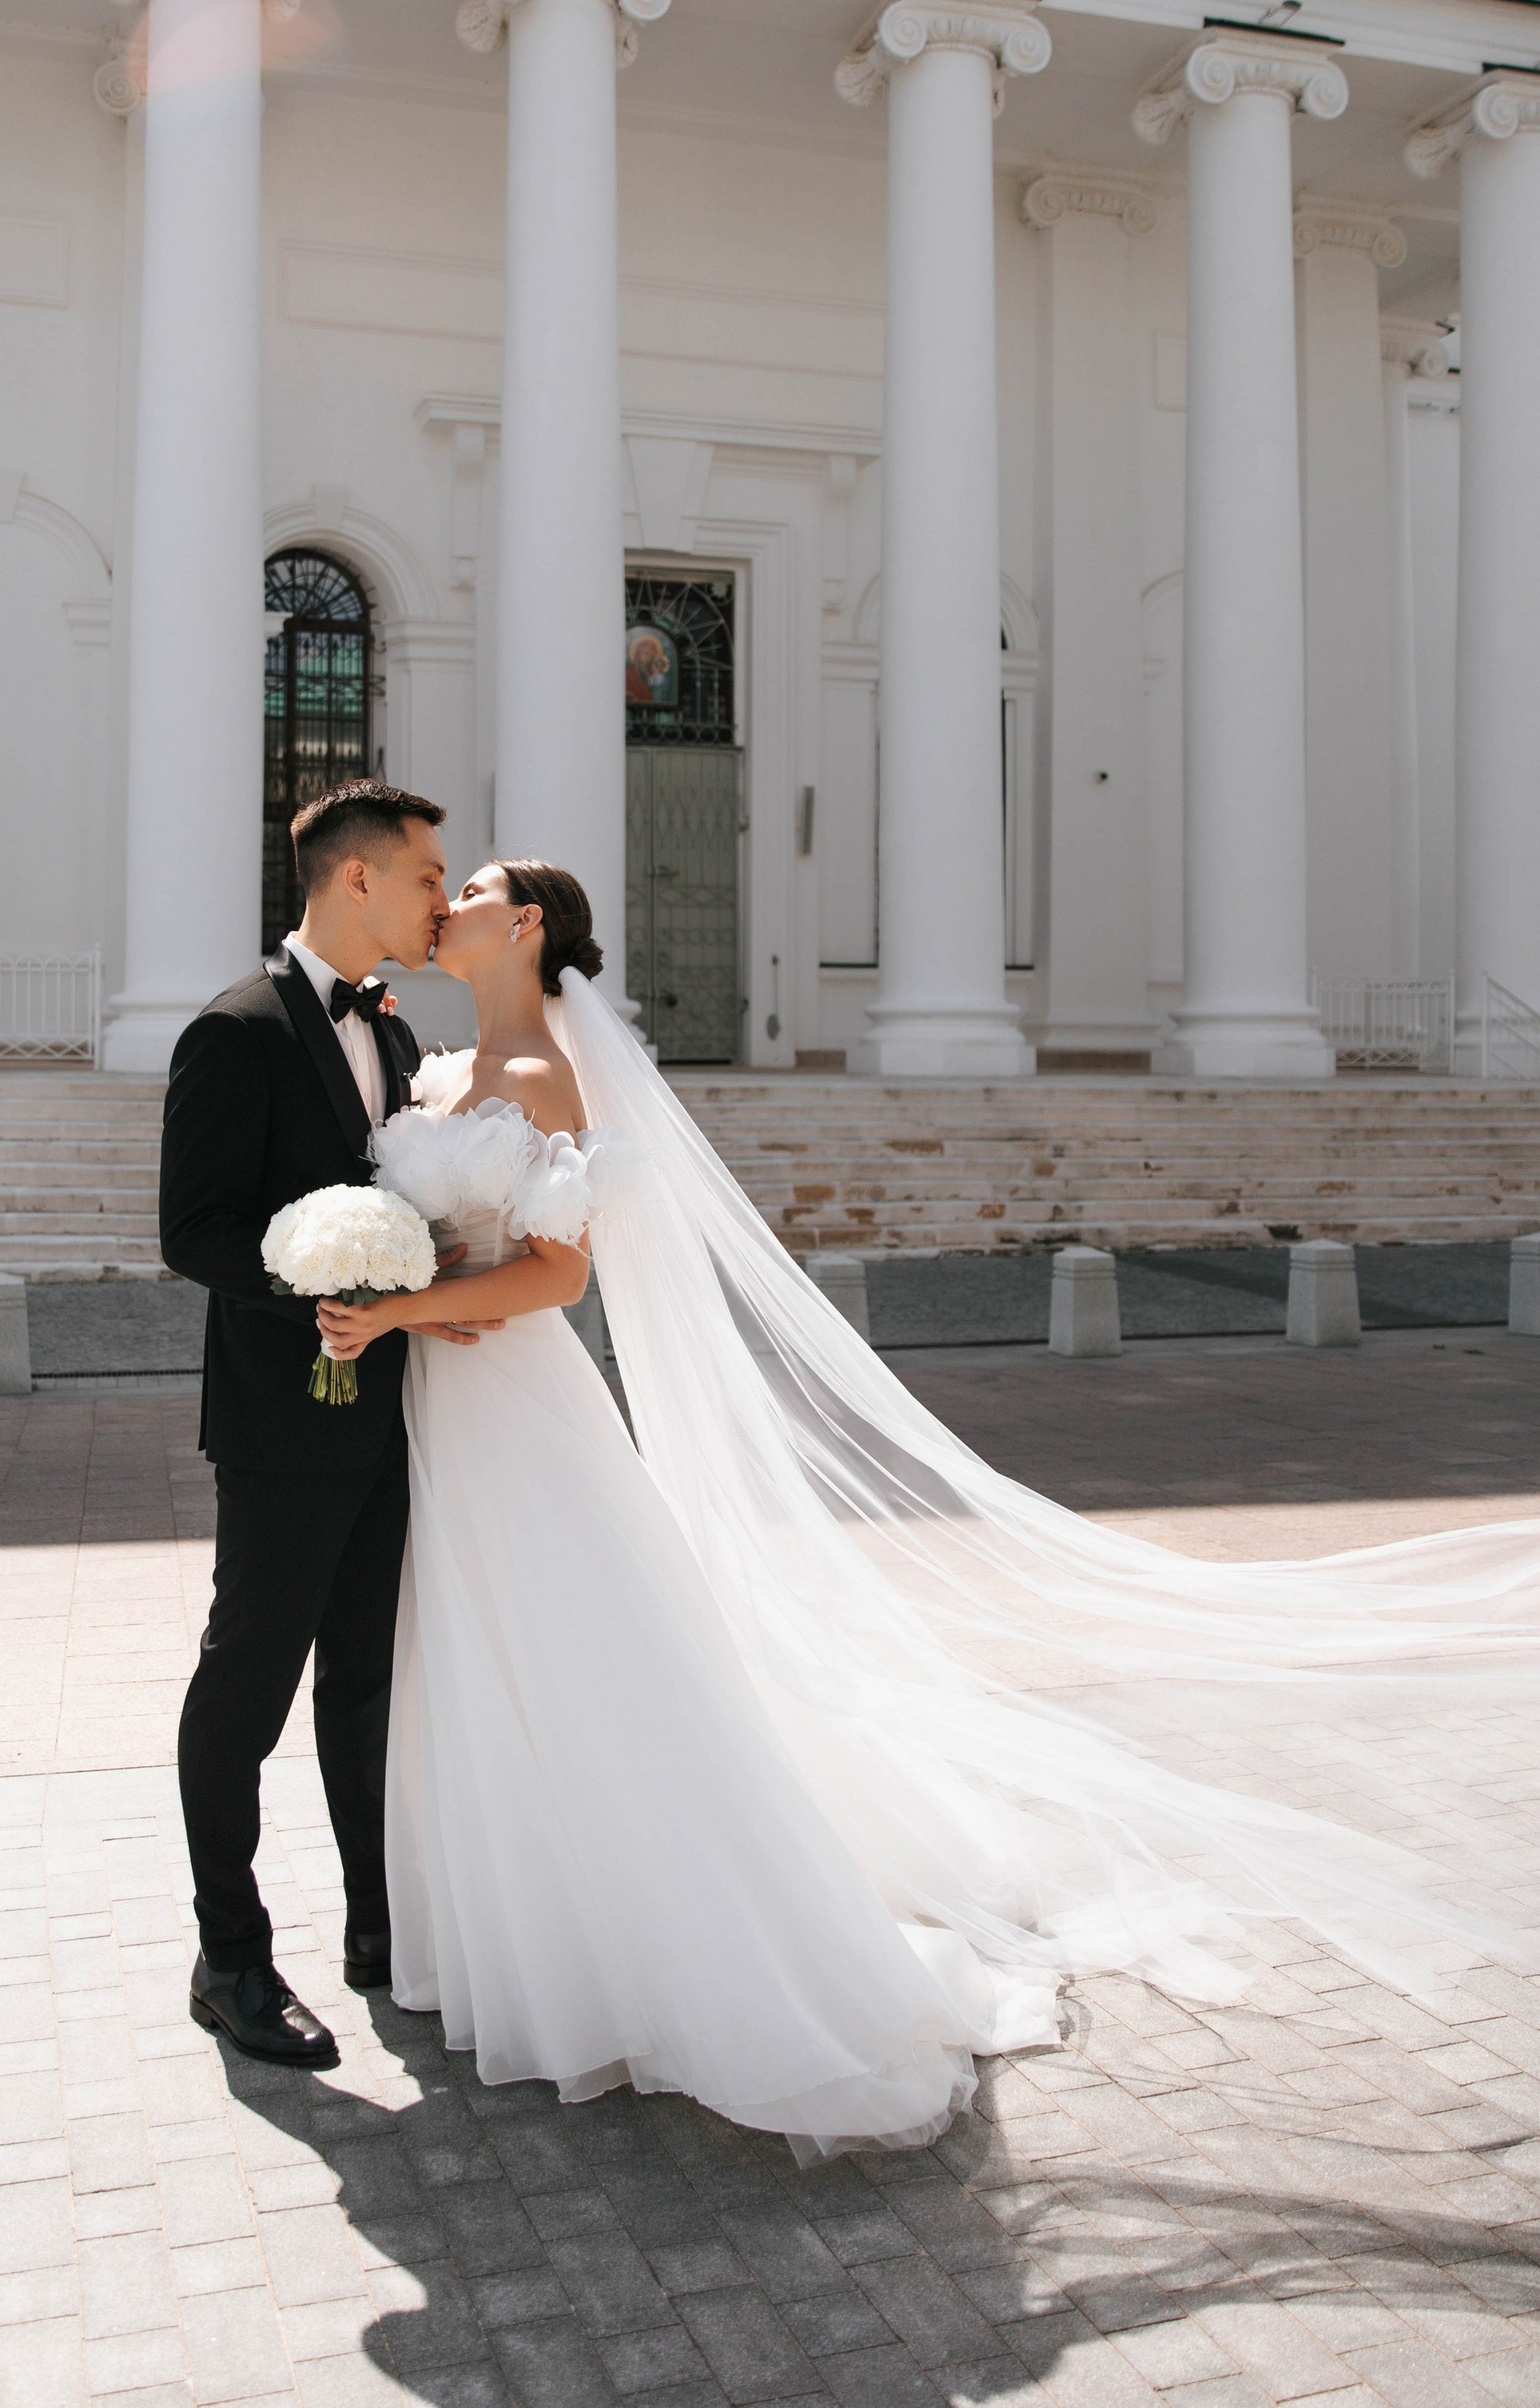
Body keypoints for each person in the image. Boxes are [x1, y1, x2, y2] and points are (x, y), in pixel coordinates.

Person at [310, 858, 1540, 2154]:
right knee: (483, 1656)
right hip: (449, 1407)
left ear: (532, 924)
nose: (447, 900)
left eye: (477, 884)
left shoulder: (544, 1077)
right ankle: (526, 1931)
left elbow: (562, 1278)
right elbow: (470, 1242)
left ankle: (664, 1945)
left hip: (522, 1416)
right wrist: (406, 1280)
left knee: (573, 1657)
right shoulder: (440, 1069)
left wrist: (401, 1305)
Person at [161, 782, 501, 2075]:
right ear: (356, 880)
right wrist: (327, 1279)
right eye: (427, 876)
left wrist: (430, 1288)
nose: (440, 898)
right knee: (245, 1688)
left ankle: (379, 1931)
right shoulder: (234, 1030)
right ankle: (231, 1960)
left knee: (365, 1688)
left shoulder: (398, 1035)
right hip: (280, 1422)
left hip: (393, 1418)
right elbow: (190, 1231)